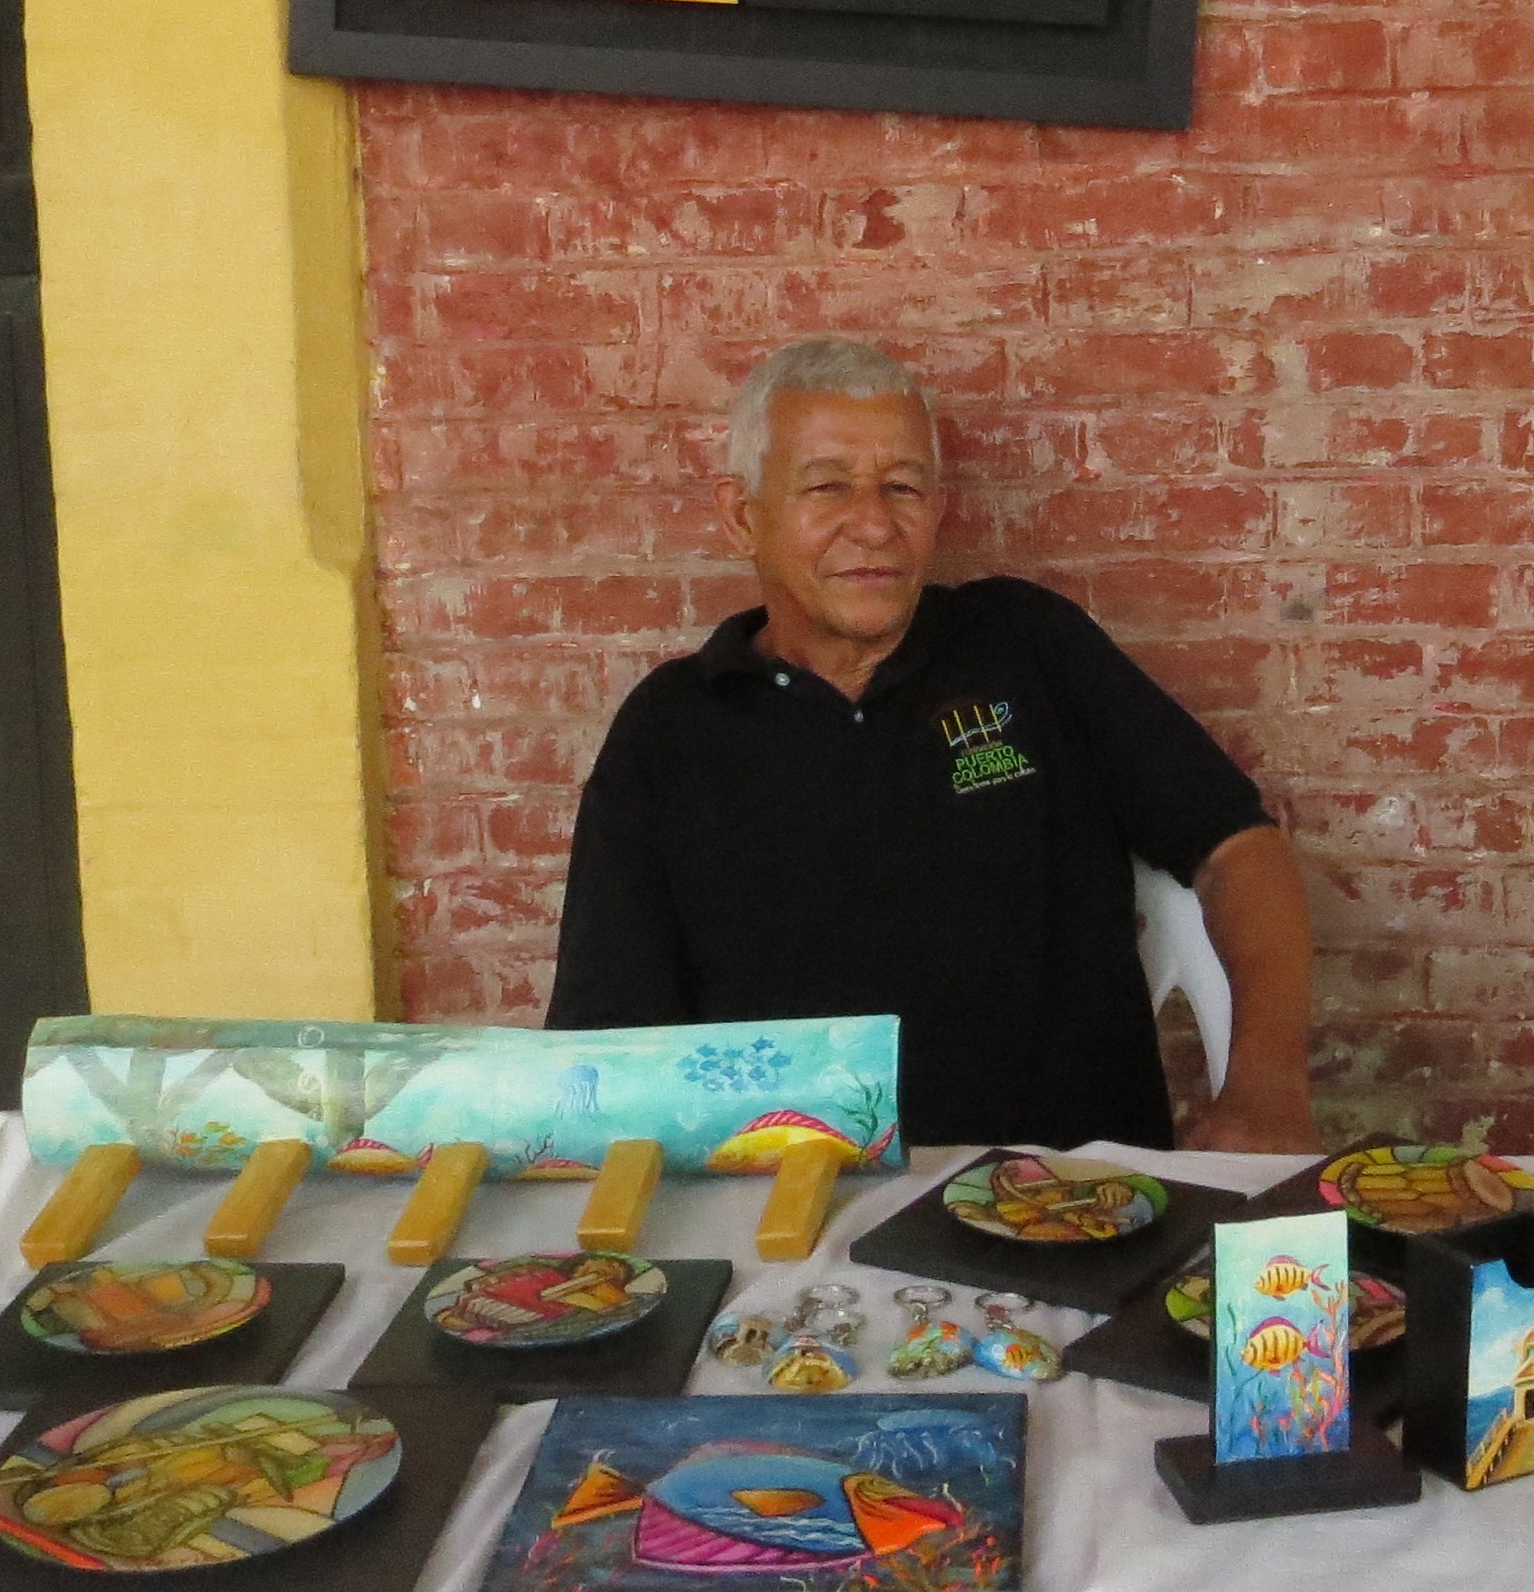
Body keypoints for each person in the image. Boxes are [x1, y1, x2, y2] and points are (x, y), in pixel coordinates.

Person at [546, 336, 1321, 1153]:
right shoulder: (671, 731)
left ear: (939, 508)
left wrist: (1267, 1087)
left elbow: (1238, 850)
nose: (874, 524)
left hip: (1069, 1194)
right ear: (743, 515)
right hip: (789, 1197)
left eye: (903, 487)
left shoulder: (1027, 647)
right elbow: (607, 1043)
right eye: (828, 486)